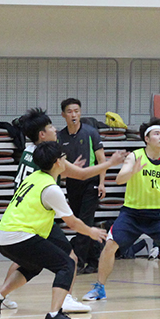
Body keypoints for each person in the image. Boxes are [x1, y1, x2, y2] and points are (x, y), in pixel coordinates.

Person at [0, 142, 108, 319]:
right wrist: (91, 231)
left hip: (4, 235)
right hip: (20, 235)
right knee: (67, 263)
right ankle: (54, 315)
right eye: (64, 158)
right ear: (58, 162)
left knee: (33, 266)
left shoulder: (34, 177)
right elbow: (72, 222)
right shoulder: (51, 189)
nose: (66, 161)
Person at [83, 120, 160, 302]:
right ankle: (99, 288)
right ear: (146, 139)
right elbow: (119, 179)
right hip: (132, 214)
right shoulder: (135, 156)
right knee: (110, 245)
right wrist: (132, 172)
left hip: (158, 215)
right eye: (157, 134)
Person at [57, 98, 108, 273]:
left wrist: (102, 183)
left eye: (76, 111)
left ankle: (77, 262)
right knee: (82, 222)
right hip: (72, 183)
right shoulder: (60, 137)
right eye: (70, 111)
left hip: (91, 182)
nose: (74, 115)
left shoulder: (91, 133)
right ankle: (94, 260)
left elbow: (101, 160)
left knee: (85, 221)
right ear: (63, 115)